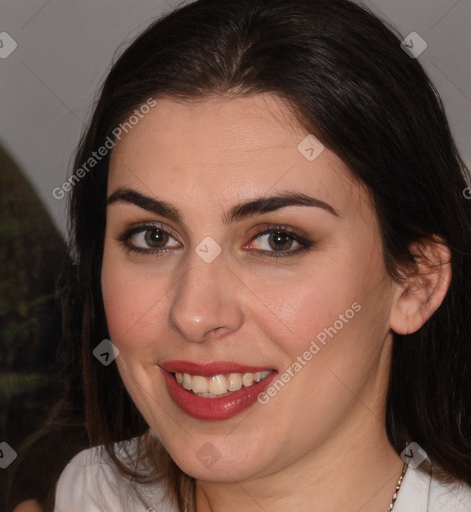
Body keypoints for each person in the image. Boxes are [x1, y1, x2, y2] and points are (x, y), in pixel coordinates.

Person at [53, 0, 471, 510]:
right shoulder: (93, 493)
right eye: (153, 237)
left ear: (416, 284)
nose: (194, 314)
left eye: (277, 240)